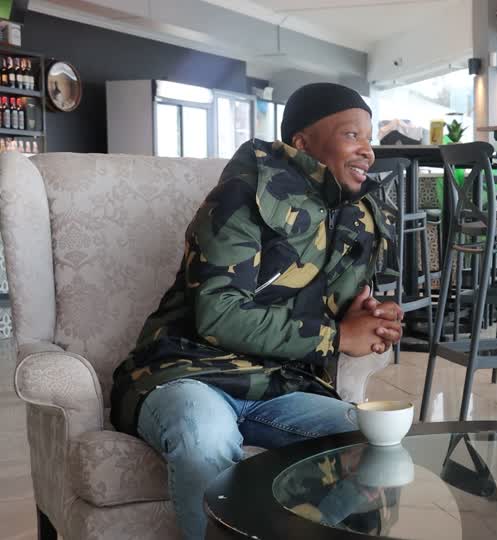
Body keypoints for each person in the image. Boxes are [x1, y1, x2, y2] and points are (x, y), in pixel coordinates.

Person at [109, 82, 402, 539]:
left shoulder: (356, 215)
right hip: (192, 374)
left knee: (375, 443)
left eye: (369, 138)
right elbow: (218, 315)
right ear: (302, 142)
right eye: (351, 135)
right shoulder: (244, 193)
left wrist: (370, 318)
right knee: (203, 437)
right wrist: (338, 336)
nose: (368, 150)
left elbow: (336, 315)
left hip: (284, 386)